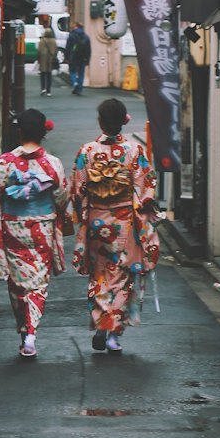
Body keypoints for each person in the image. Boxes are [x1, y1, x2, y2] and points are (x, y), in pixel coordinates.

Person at [71, 96, 160, 355]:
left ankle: (102, 322)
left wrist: (83, 216)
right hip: (124, 222)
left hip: (98, 220)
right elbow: (146, 188)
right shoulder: (134, 151)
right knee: (121, 276)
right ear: (124, 121)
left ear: (100, 122)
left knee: (100, 275)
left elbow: (78, 190)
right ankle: (113, 335)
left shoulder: (87, 151)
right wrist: (144, 212)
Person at [0, 109, 70, 359]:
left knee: (18, 282)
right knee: (38, 283)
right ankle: (30, 333)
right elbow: (62, 197)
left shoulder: (6, 161)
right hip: (42, 226)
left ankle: (24, 331)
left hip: (13, 227)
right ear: (44, 133)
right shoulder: (52, 163)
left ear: (20, 132)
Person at [65, 22, 92, 95]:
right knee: (81, 73)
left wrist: (66, 57)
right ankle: (79, 89)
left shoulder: (72, 35)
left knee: (72, 71)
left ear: (76, 27)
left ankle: (75, 83)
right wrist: (88, 59)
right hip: (83, 57)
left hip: (73, 56)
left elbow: (68, 47)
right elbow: (89, 49)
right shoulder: (86, 37)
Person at [37, 17, 58, 96]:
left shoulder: (42, 41)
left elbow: (39, 50)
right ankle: (49, 91)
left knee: (43, 74)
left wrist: (38, 58)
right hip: (50, 59)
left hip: (43, 59)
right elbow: (56, 50)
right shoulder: (54, 41)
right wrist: (54, 55)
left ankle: (43, 89)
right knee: (49, 75)